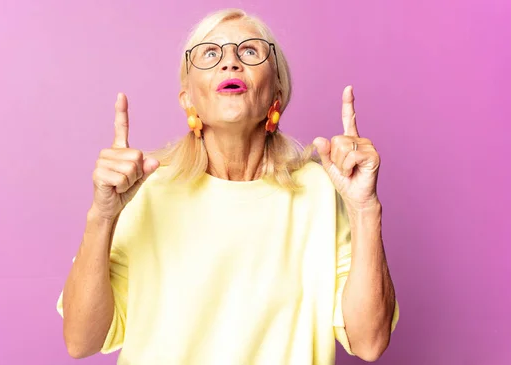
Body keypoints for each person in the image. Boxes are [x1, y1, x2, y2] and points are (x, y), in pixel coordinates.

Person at [56, 8, 399, 365]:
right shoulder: (146, 188)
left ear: (275, 97)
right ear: (188, 99)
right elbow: (81, 340)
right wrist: (103, 215)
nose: (230, 63)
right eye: (210, 53)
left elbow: (370, 342)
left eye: (249, 51)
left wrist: (364, 209)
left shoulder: (319, 192)